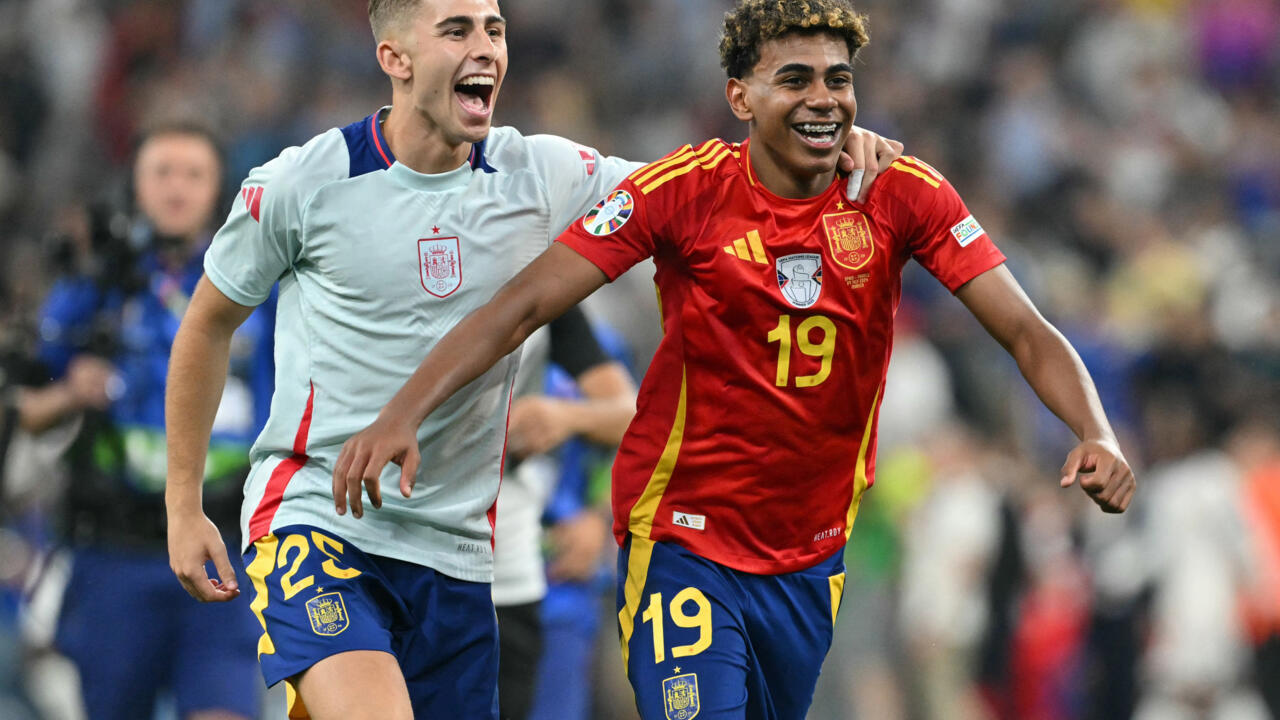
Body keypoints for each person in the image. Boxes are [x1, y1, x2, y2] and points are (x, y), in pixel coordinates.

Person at [333, 1, 1138, 717]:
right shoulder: (682, 191)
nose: (824, 98)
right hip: (683, 540)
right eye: (795, 79)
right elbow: (520, 306)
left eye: (838, 79)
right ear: (741, 98)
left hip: (810, 556)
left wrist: (1095, 431)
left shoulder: (902, 193)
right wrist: (402, 414)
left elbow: (1025, 328)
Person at [163, 1, 902, 718]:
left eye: (495, 29)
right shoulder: (302, 183)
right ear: (395, 57)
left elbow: (715, 189)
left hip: (459, 553)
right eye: (457, 30)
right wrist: (184, 504)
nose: (485, 47)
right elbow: (207, 324)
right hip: (319, 519)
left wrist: (823, 136)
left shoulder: (543, 174)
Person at [18, 121, 270, 720]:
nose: (176, 188)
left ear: (219, 191)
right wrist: (71, 392)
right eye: (162, 173)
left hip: (225, 549)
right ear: (134, 185)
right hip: (115, 552)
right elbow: (27, 408)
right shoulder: (96, 286)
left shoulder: (261, 284)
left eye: (194, 175)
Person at [493, 305, 636, 720]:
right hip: (463, 559)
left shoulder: (591, 344)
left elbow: (635, 432)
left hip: (559, 573)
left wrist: (599, 517)